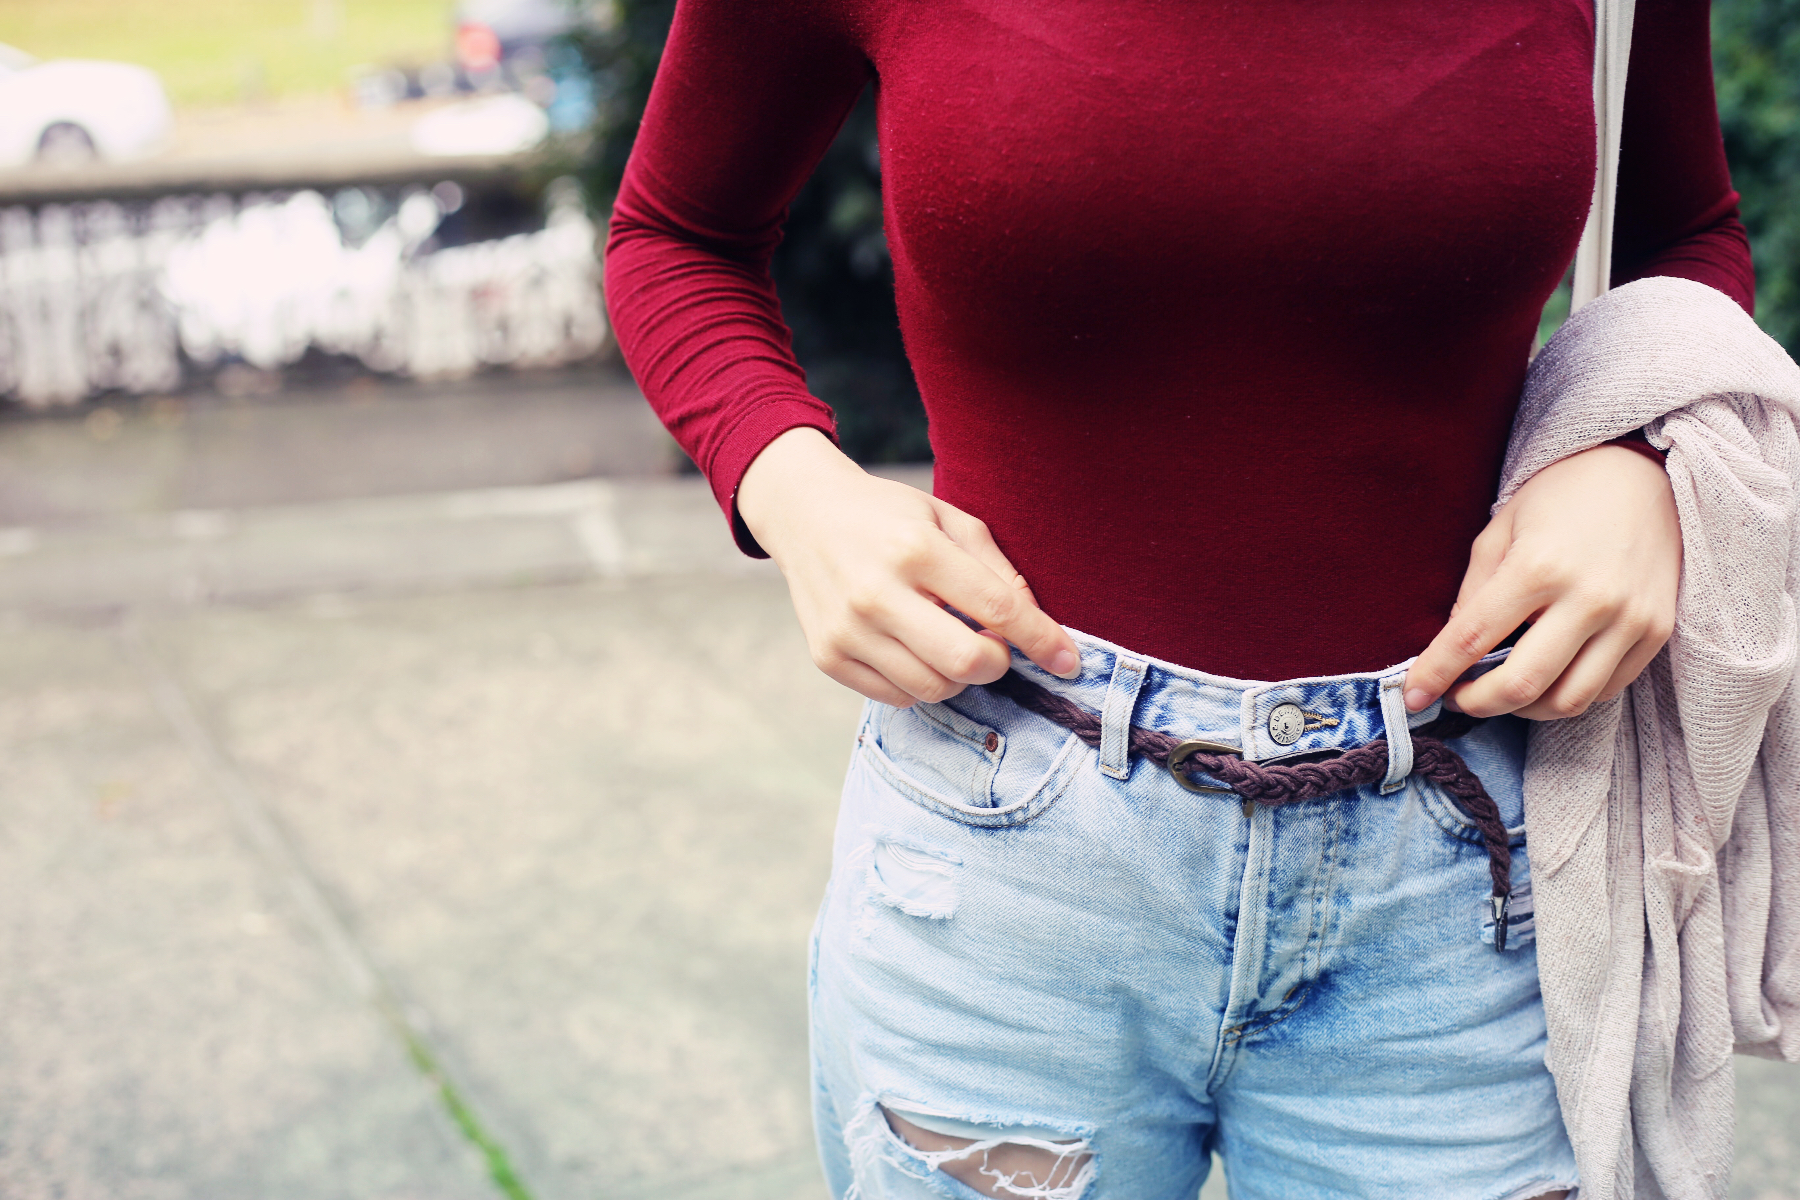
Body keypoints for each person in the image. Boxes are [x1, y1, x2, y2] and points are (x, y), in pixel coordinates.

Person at [603, 2, 1756, 1197]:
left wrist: (1641, 462)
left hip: (1462, 869)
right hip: (1008, 858)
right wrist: (794, 490)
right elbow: (674, 232)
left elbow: (1686, 235)